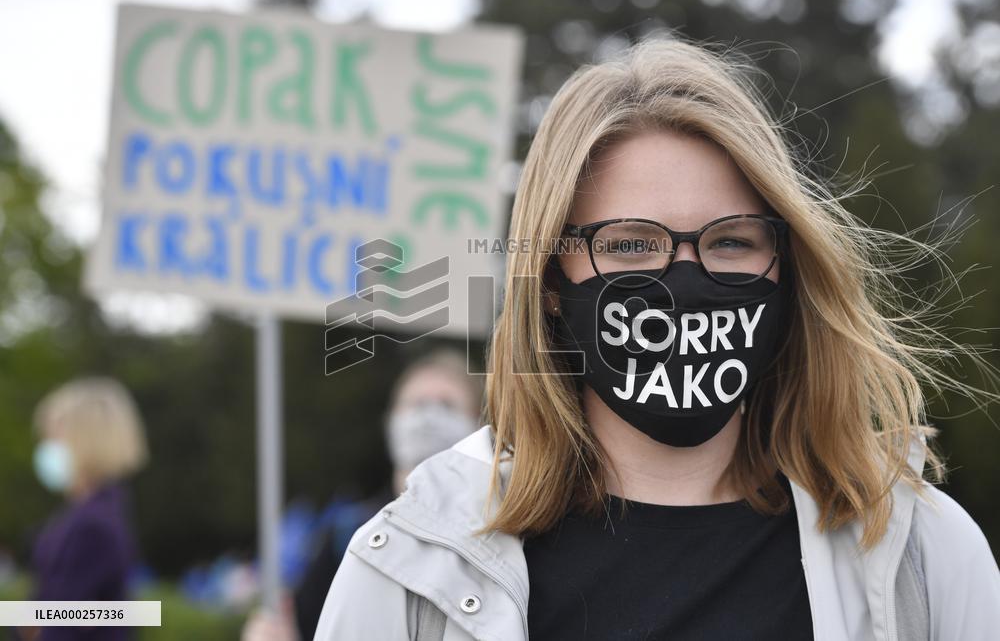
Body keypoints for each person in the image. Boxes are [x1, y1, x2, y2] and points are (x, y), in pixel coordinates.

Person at [312, 35, 1000, 641]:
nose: (684, 280)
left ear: (786, 266)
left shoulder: (919, 556)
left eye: (731, 241)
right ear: (549, 279)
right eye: (630, 244)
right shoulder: (412, 569)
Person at [241, 347, 482, 641]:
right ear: (391, 420)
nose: (428, 417)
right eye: (417, 403)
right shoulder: (348, 536)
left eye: (446, 405)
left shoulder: (499, 539)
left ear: (478, 425)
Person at [20, 377, 149, 641]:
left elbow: (60, 621)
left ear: (84, 441)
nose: (46, 448)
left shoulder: (92, 526)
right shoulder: (96, 513)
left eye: (52, 437)